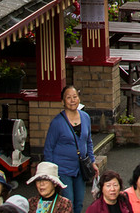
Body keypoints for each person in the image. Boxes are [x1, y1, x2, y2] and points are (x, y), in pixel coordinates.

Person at [42, 85, 92, 213]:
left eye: (75, 97)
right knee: (67, 203)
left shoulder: (85, 117)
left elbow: (88, 141)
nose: (72, 100)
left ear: (79, 99)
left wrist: (92, 161)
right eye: (68, 98)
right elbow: (48, 148)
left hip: (80, 169)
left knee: (79, 203)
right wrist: (51, 173)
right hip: (63, 170)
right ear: (62, 101)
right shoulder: (57, 123)